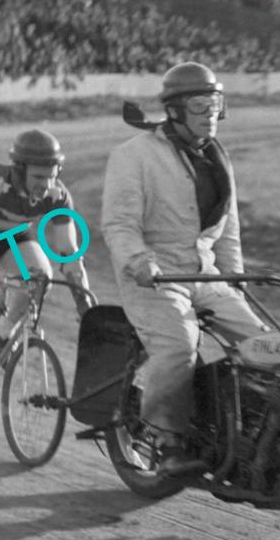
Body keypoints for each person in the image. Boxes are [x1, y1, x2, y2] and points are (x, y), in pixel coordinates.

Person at [101, 61, 269, 476]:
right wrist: (140, 261)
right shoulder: (134, 156)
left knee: (265, 345)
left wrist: (235, 278)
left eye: (215, 103)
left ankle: (255, 431)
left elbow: (227, 225)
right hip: (155, 277)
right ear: (174, 110)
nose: (211, 114)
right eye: (200, 105)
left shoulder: (216, 155)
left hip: (204, 274)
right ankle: (165, 438)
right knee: (178, 346)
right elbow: (120, 223)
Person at [0, 129, 95, 427]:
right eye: (38, 178)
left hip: (11, 233)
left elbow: (70, 254)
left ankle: (5, 331)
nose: (46, 185)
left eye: (51, 176)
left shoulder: (58, 195)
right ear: (18, 171)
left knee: (42, 278)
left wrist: (85, 304)